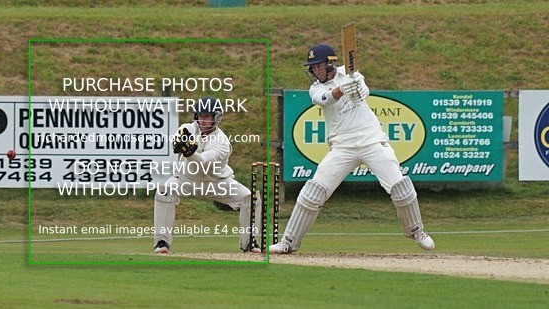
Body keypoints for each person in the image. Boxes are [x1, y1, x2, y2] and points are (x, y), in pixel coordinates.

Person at [269, 43, 434, 254]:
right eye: (313, 68)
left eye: (319, 66)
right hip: (341, 146)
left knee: (400, 187)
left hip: (371, 139)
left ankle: (416, 230)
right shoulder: (316, 88)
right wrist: (341, 90)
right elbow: (324, 100)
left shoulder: (351, 73)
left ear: (330, 64)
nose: (316, 71)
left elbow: (363, 91)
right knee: (313, 192)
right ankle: (288, 242)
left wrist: (359, 87)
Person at [153, 97, 258, 254]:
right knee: (164, 191)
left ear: (216, 118)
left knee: (250, 198)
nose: (203, 120)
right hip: (187, 179)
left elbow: (202, 161)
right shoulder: (187, 128)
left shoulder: (222, 142)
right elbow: (177, 141)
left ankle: (249, 242)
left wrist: (188, 151)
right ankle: (162, 242)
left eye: (207, 116)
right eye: (201, 116)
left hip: (217, 182)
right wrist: (180, 145)